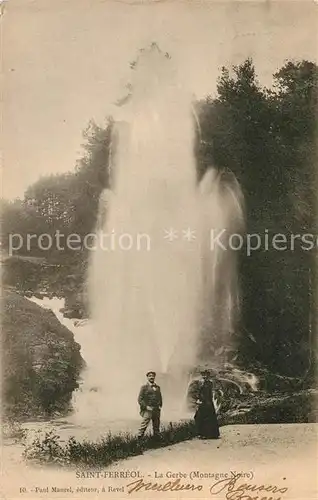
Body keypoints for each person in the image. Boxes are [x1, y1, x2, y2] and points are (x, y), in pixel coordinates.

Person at [194, 369, 220, 439]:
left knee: (206, 418)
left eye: (206, 375)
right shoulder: (201, 383)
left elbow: (208, 394)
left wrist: (206, 401)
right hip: (202, 402)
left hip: (207, 403)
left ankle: (208, 434)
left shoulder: (209, 383)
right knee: (198, 417)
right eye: (203, 375)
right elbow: (199, 393)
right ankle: (202, 433)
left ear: (208, 376)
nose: (204, 376)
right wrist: (198, 399)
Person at [137, 371, 162, 438]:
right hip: (148, 409)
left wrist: (160, 405)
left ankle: (156, 441)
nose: (151, 377)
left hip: (156, 409)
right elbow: (140, 399)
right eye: (150, 376)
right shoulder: (144, 387)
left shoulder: (158, 387)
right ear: (147, 377)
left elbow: (160, 397)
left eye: (153, 376)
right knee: (143, 425)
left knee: (156, 426)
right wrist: (146, 407)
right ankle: (139, 440)